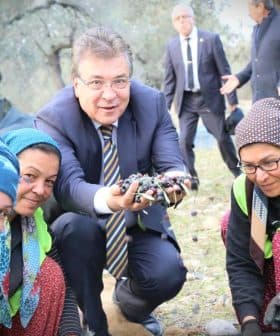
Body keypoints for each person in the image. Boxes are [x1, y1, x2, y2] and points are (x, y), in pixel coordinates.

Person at [34, 26, 189, 336]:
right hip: (77, 224)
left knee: (168, 274)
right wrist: (110, 199)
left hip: (137, 219)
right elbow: (68, 186)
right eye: (96, 83)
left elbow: (173, 164)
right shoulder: (53, 118)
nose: (110, 94)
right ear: (76, 85)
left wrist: (174, 182)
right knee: (77, 230)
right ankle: (93, 320)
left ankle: (128, 305)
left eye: (120, 81)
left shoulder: (152, 104)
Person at [0, 128, 81, 336]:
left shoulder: (34, 225)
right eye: (29, 176)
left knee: (50, 275)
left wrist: (72, 333)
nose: (40, 190)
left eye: (49, 182)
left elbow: (66, 289)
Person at [163, 4, 241, 186]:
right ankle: (192, 179)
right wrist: (163, 107)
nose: (182, 21)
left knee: (222, 138)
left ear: (193, 18)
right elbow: (169, 80)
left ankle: (239, 174)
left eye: (185, 17)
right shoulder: (172, 45)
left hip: (209, 100)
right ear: (174, 23)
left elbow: (225, 71)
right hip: (186, 102)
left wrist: (233, 101)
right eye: (177, 19)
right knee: (183, 142)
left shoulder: (211, 39)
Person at [223, 98, 280, 335]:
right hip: (271, 271)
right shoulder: (244, 189)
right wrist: (248, 321)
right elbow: (240, 261)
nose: (261, 176)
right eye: (249, 165)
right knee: (228, 223)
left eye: (269, 163)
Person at [220, 0, 280, 103]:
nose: (248, 13)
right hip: (259, 100)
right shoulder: (256, 29)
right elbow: (256, 61)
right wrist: (240, 77)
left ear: (260, 6)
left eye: (249, 7)